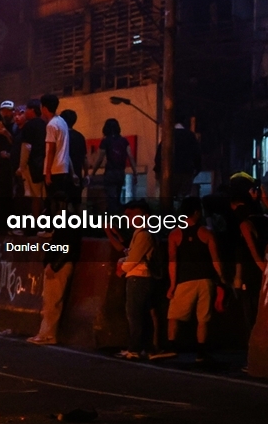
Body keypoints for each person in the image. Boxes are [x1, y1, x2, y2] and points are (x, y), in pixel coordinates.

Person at [165, 197, 225, 363]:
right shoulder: (207, 233)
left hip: (185, 281)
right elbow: (216, 260)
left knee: (174, 315)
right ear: (197, 212)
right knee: (203, 318)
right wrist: (220, 280)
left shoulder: (175, 234)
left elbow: (172, 262)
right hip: (206, 280)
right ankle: (201, 352)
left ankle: (172, 346)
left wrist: (172, 285)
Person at [27, 192, 82, 345]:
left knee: (52, 301)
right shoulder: (67, 221)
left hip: (58, 266)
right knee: (49, 300)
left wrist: (54, 265)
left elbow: (67, 247)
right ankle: (44, 333)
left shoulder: (68, 222)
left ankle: (48, 334)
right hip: (57, 264)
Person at [115, 200, 157, 359]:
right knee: (141, 314)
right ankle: (144, 347)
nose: (129, 218)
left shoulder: (143, 235)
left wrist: (122, 268)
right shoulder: (141, 233)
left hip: (138, 278)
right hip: (140, 278)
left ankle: (135, 348)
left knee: (134, 314)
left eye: (132, 215)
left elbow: (133, 260)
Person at [232, 192, 268, 337]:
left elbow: (252, 252)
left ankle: (253, 340)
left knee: (250, 309)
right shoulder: (267, 221)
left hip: (253, 273)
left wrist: (239, 278)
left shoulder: (245, 225)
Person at [41, 94, 73, 231]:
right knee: (61, 201)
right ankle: (60, 229)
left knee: (51, 200)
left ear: (44, 107)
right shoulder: (62, 122)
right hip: (63, 167)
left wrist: (47, 172)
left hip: (54, 168)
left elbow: (51, 150)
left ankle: (51, 230)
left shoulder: (51, 125)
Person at [93, 118, 135, 213]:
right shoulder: (124, 141)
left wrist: (93, 172)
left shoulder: (106, 141)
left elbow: (100, 158)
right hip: (121, 172)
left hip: (110, 173)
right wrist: (135, 173)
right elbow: (131, 157)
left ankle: (112, 219)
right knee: (117, 197)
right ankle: (118, 216)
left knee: (110, 198)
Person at [19, 99, 47, 224]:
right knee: (43, 194)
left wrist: (21, 166)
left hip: (33, 165)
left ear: (32, 110)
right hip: (45, 163)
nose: (25, 112)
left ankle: (36, 223)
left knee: (35, 197)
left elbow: (26, 147)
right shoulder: (45, 124)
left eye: (26, 109)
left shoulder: (29, 126)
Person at [60, 109, 87, 212]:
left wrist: (72, 173)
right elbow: (85, 157)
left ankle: (64, 227)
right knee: (77, 204)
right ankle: (78, 226)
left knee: (63, 204)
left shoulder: (63, 135)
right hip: (78, 175)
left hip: (65, 174)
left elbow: (66, 155)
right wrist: (86, 174)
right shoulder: (80, 136)